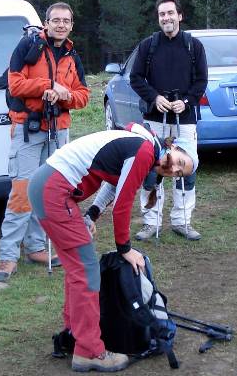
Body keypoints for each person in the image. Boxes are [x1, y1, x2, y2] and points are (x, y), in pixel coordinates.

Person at [27, 122, 198, 373]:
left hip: (47, 186)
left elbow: (112, 183)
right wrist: (125, 248)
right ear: (174, 148)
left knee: (78, 269)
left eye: (179, 173)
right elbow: (123, 204)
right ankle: (89, 351)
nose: (174, 169)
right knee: (86, 271)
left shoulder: (143, 147)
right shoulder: (144, 151)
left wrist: (91, 215)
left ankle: (74, 334)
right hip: (53, 190)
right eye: (179, 162)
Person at [0, 2, 90, 286]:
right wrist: (47, 87)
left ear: (71, 25)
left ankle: (36, 247)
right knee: (22, 192)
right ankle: (8, 256)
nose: (61, 25)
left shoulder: (72, 55)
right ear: (46, 23)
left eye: (66, 21)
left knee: (47, 192)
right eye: (56, 20)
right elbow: (15, 85)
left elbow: (83, 95)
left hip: (58, 131)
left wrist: (65, 95)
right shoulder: (28, 47)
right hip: (28, 129)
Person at [129, 0, 208, 241]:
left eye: (170, 13)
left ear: (180, 16)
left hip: (185, 120)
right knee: (151, 172)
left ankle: (182, 221)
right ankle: (150, 223)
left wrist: (186, 101)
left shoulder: (194, 46)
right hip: (154, 120)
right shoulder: (148, 46)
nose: (166, 18)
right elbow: (135, 78)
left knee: (186, 171)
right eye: (162, 14)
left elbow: (201, 81)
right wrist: (155, 98)